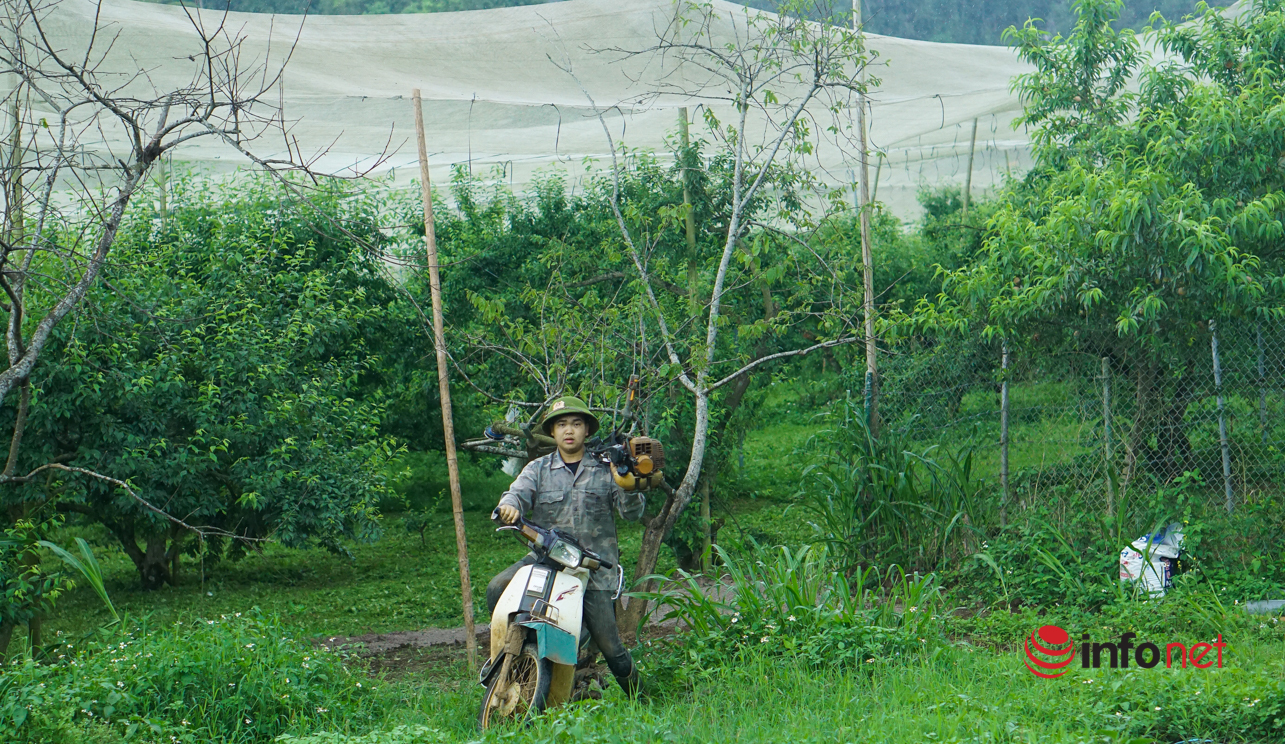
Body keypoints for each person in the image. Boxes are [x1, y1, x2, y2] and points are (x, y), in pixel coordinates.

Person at [488, 395, 645, 696]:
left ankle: (643, 697)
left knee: (612, 647)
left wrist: (628, 481)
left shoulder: (606, 468)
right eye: (562, 424)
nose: (569, 430)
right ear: (552, 432)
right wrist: (509, 507)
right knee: (497, 588)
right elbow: (516, 494)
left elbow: (632, 514)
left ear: (587, 430)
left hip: (593, 569)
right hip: (545, 560)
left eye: (576, 424)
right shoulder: (538, 468)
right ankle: (513, 657)